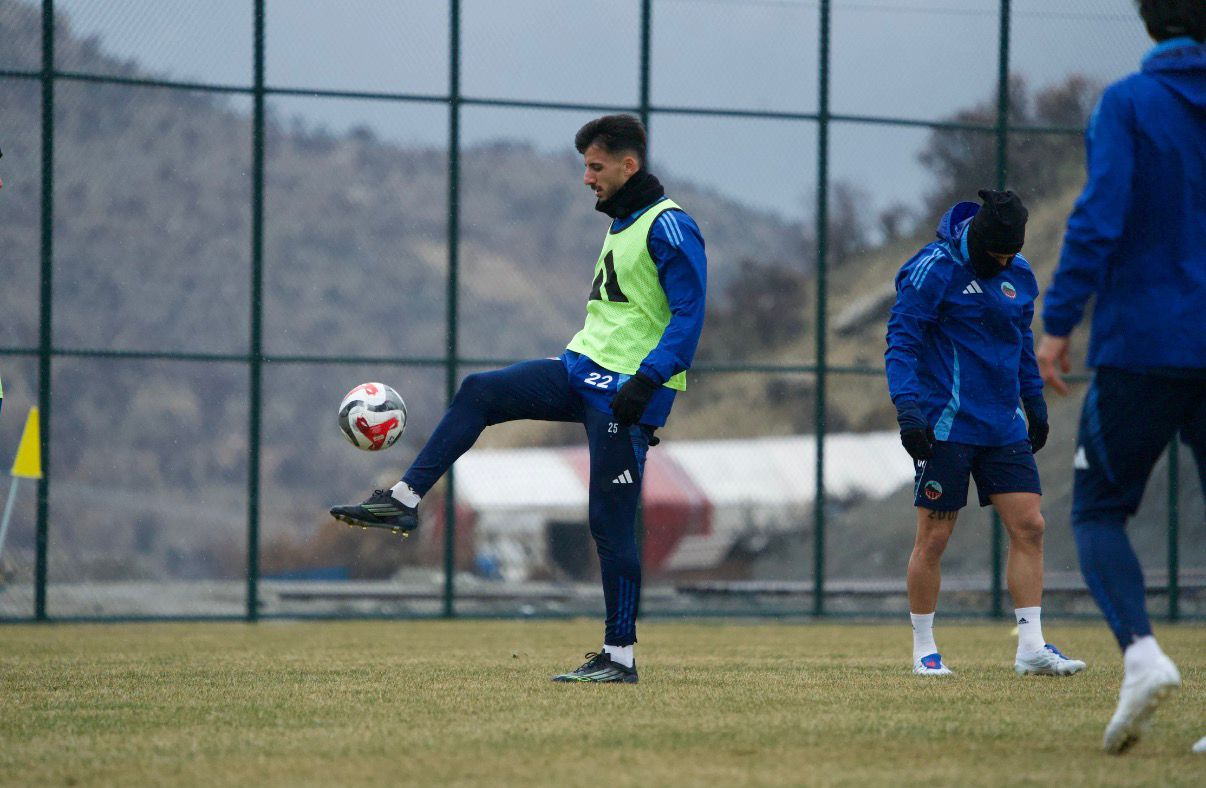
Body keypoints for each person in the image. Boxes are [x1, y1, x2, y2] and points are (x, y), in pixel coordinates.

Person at [330, 114, 707, 684]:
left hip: (625, 395)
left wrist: (647, 381)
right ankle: (404, 500)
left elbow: (688, 317)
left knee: (609, 524)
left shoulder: (669, 226)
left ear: (630, 166)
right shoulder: (622, 222)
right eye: (585, 166)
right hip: (580, 369)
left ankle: (619, 658)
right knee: (479, 391)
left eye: (596, 166)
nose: (586, 177)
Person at [1037, 0, 1204, 755]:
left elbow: (1100, 215)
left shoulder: (1131, 102)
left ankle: (1141, 656)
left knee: (1099, 508)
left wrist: (1060, 321)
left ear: (1148, 23)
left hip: (1147, 344)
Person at [885, 189, 1086, 679]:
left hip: (1001, 424)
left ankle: (1031, 648)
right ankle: (924, 651)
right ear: (976, 239)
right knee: (934, 537)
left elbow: (1019, 341)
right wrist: (908, 410)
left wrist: (1033, 399)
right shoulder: (933, 269)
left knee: (1031, 526)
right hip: (945, 425)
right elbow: (902, 342)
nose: (1002, 262)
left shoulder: (1018, 272)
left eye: (1009, 254)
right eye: (995, 254)